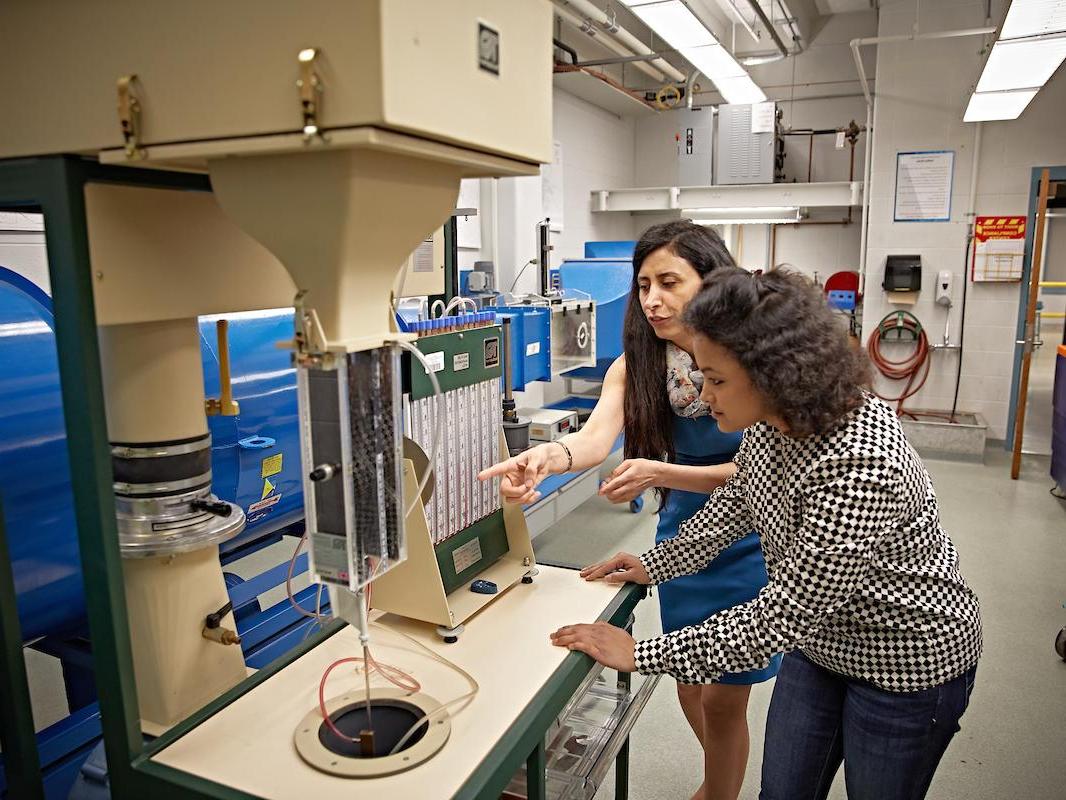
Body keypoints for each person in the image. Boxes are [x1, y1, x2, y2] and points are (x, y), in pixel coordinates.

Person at [550, 267, 983, 800]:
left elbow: (784, 613)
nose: (705, 396)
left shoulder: (860, 463)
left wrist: (641, 654)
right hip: (822, 647)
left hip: (904, 661)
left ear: (777, 373)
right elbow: (732, 510)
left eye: (719, 379)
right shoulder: (771, 427)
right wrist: (656, 564)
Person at [479, 221, 779, 800]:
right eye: (643, 286)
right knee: (690, 683)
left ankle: (718, 793)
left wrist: (662, 472)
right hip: (683, 534)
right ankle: (718, 778)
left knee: (724, 695)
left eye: (669, 282)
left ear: (711, 282)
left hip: (752, 537)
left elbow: (763, 471)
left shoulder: (747, 359)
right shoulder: (638, 362)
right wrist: (547, 456)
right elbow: (594, 441)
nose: (653, 300)